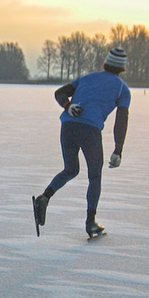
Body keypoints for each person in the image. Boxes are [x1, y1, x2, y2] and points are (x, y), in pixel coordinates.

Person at [33, 47, 131, 238]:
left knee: (71, 169)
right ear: (122, 68)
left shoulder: (87, 78)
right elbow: (122, 120)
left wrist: (68, 105)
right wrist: (118, 149)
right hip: (90, 131)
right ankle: (90, 222)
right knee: (94, 176)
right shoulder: (122, 89)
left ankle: (44, 197)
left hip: (68, 126)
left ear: (106, 63)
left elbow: (60, 93)